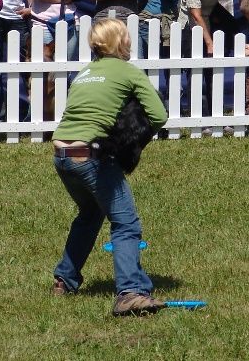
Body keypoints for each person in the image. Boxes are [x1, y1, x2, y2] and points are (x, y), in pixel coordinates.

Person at [51, 18, 168, 317]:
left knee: (90, 214)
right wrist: (132, 143)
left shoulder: (85, 73)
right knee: (126, 223)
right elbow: (158, 115)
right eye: (127, 37)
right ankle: (130, 292)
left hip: (62, 155)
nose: (129, 42)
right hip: (90, 157)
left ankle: (64, 279)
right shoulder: (128, 72)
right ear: (120, 42)